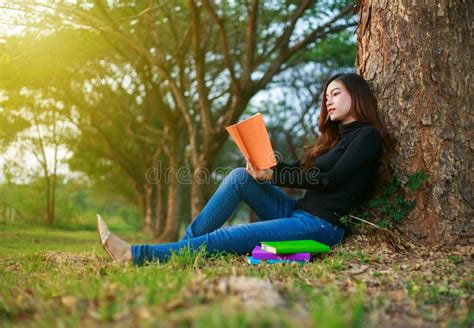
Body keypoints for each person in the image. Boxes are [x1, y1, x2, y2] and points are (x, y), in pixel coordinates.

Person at [97, 72, 384, 265]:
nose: (328, 101)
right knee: (239, 177)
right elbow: (298, 169)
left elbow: (330, 179)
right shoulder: (334, 140)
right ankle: (184, 250)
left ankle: (136, 256)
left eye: (335, 94)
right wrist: (265, 163)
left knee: (224, 238)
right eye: (326, 97)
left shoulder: (366, 136)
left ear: (356, 95)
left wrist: (274, 175)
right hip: (299, 212)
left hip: (322, 227)